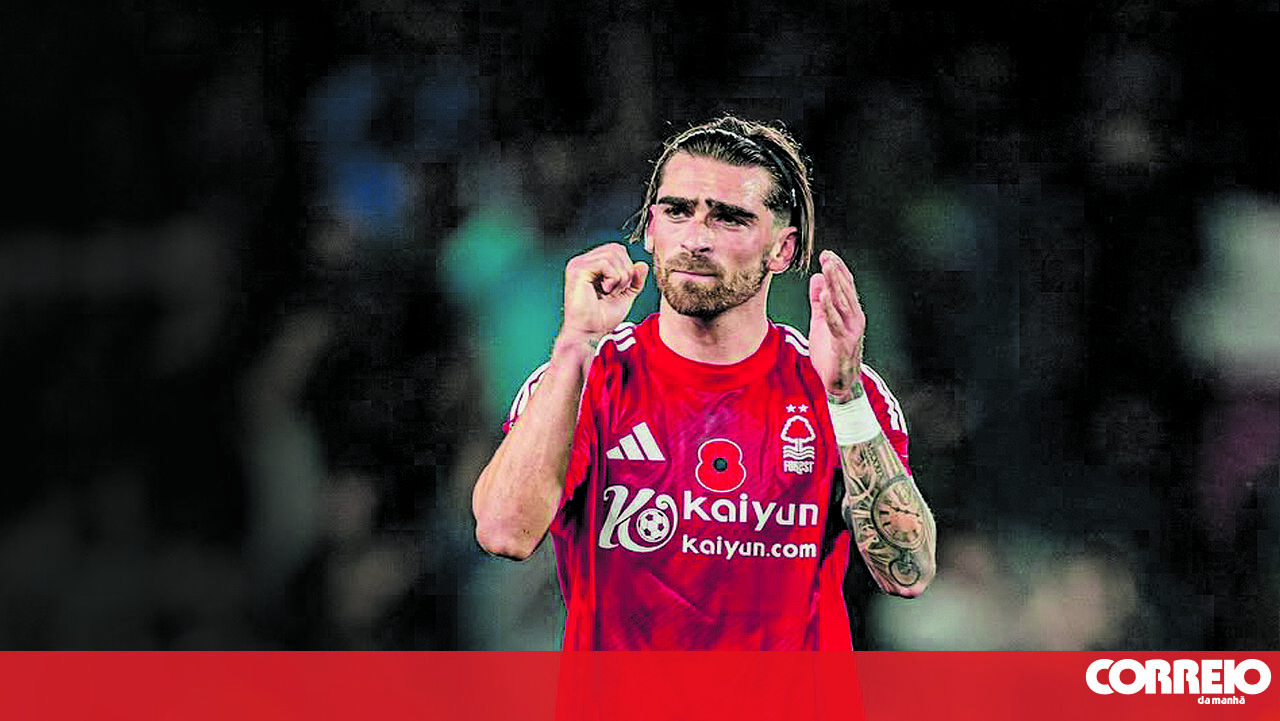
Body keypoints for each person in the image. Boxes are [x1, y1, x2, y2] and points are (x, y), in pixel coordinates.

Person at [472, 115, 936, 650]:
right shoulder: (587, 379)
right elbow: (504, 533)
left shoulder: (839, 389)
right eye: (677, 211)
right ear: (650, 229)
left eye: (730, 219)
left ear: (782, 250)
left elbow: (908, 571)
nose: (695, 239)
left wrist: (844, 397)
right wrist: (576, 343)